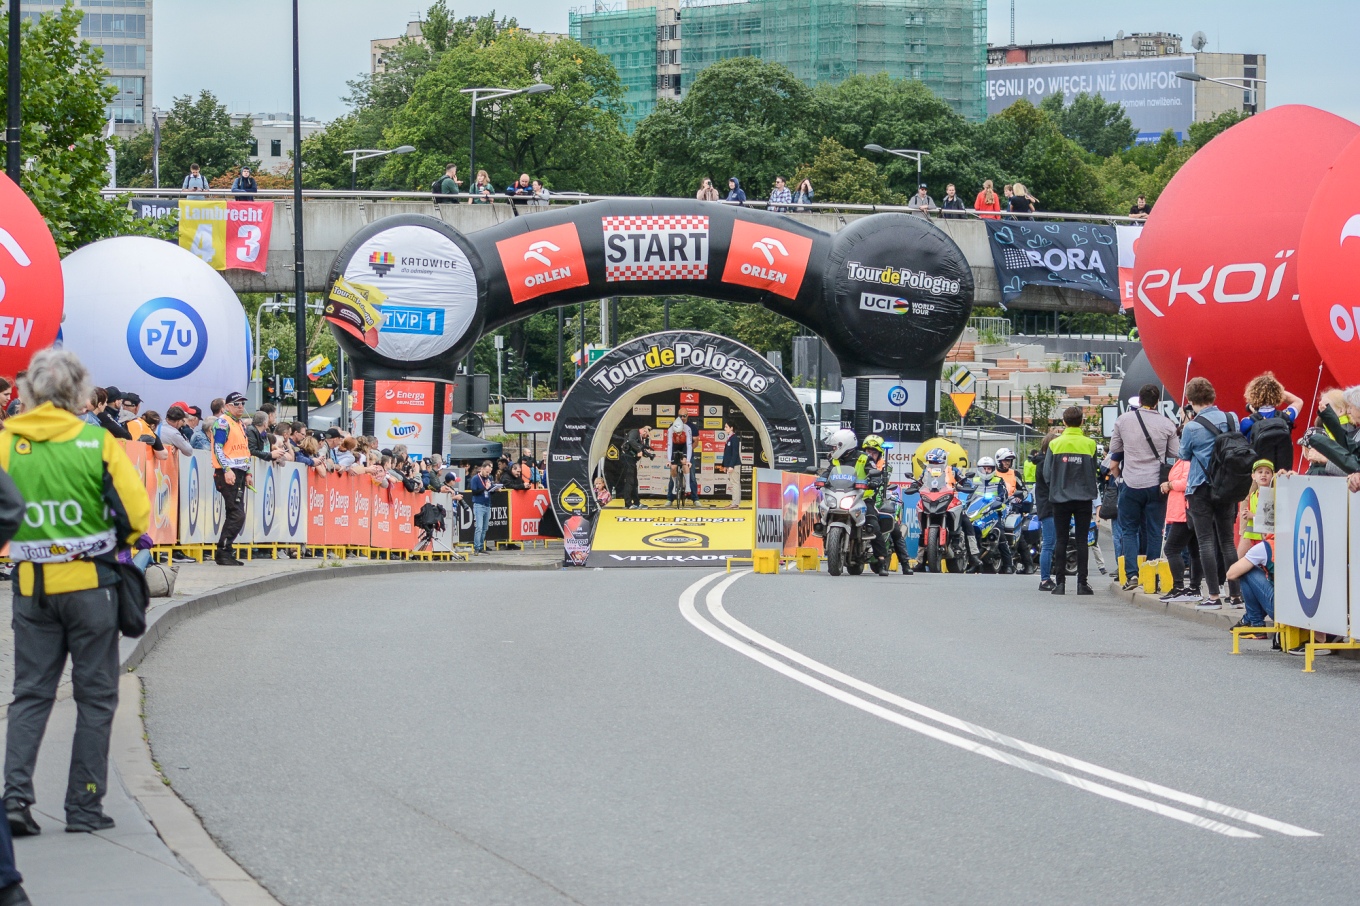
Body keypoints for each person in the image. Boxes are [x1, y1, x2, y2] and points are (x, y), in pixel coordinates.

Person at [2, 348, 149, 845]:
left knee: (30, 694)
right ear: (80, 393)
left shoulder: (6, 443)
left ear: (28, 391)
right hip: (90, 586)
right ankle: (84, 805)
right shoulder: (96, 442)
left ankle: (15, 800)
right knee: (96, 696)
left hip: (31, 587)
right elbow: (136, 516)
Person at [1179, 376, 1243, 609]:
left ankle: (1214, 596)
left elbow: (1184, 455)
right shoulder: (1231, 418)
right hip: (1227, 486)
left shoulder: (1192, 427)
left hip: (1200, 487)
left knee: (1206, 541)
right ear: (1212, 396)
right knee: (1227, 541)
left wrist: (1186, 423)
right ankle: (1235, 595)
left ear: (1190, 400)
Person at [1109, 384, 1177, 591]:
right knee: (1155, 531)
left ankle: (1132, 574)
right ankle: (1152, 575)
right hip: (1156, 484)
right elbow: (1175, 452)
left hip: (1131, 483)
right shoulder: (1167, 424)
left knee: (1129, 530)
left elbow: (1114, 448)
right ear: (1158, 401)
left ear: (1139, 400)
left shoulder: (1123, 421)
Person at [1044, 407, 1097, 595]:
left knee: (1061, 540)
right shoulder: (1090, 444)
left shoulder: (1055, 444)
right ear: (1081, 422)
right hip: (1083, 498)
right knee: (1082, 540)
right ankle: (1082, 584)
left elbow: (1047, 474)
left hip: (1060, 499)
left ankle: (1060, 584)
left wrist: (1057, 487)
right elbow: (1094, 470)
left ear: (1064, 422)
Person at [825, 429, 890, 575]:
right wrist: (821, 479)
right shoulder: (835, 460)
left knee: (873, 524)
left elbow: (874, 471)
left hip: (862, 497)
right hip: (839, 495)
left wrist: (875, 480)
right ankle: (827, 539)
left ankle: (881, 561)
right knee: (823, 511)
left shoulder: (864, 458)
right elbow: (828, 472)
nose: (833, 449)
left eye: (835, 446)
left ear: (844, 445)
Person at [212, 392, 251, 566]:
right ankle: (223, 551)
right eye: (236, 404)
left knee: (234, 512)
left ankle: (226, 551)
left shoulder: (240, 423)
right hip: (227, 472)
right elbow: (218, 448)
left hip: (239, 472)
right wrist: (226, 469)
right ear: (227, 406)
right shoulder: (223, 422)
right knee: (237, 514)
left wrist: (248, 472)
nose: (240, 406)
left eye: (242, 403)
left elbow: (244, 450)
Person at [1158, 454, 1202, 603]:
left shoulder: (1188, 461)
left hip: (1183, 512)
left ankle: (1179, 587)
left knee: (1171, 549)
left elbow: (1186, 482)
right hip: (1188, 511)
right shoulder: (1189, 460)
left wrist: (1169, 485)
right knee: (1194, 551)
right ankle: (1194, 588)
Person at [1239, 372, 1302, 474]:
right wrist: (1277, 391)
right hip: (1282, 474)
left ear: (1252, 395)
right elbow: (1298, 401)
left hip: (1259, 476)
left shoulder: (1247, 422)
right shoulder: (1285, 417)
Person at [1226, 537, 1274, 638]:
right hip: (1301, 608)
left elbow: (1231, 574)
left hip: (1279, 609)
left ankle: (1255, 623)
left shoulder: (1267, 546)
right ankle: (1248, 619)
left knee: (1245, 570)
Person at [620, 425, 651, 509]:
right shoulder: (634, 432)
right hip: (627, 459)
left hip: (632, 460)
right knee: (629, 481)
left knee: (634, 482)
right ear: (644, 431)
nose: (646, 437)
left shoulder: (640, 438)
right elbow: (631, 441)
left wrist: (647, 453)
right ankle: (628, 503)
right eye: (647, 435)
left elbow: (638, 447)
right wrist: (639, 450)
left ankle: (637, 502)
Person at [469, 461, 496, 554]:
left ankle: (481, 546)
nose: (488, 474)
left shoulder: (489, 478)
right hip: (479, 504)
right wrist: (485, 488)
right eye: (487, 472)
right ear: (482, 469)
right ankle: (477, 547)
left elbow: (490, 491)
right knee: (479, 527)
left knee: (485, 528)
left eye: (489, 472)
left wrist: (494, 488)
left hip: (487, 504)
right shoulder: (475, 478)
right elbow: (474, 492)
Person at [666, 417, 694, 506]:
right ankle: (675, 485)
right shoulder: (670, 430)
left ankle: (688, 486)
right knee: (673, 467)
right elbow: (669, 446)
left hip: (684, 446)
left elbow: (689, 445)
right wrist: (669, 460)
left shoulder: (687, 429)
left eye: (679, 432)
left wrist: (688, 460)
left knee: (685, 464)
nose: (678, 434)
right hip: (674, 446)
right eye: (676, 432)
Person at [719, 421, 741, 508]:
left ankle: (735, 503)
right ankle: (734, 502)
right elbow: (727, 453)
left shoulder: (734, 438)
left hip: (734, 465)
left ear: (731, 428)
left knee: (735, 483)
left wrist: (731, 465)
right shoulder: (729, 438)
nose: (725, 429)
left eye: (726, 427)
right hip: (731, 464)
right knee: (733, 483)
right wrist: (725, 465)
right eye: (725, 427)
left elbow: (735, 453)